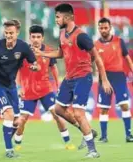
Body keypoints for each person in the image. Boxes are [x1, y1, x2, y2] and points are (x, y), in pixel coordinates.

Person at [39, 3, 113, 158]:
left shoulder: (81, 36)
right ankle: (87, 131)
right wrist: (42, 53)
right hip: (69, 78)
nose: (56, 20)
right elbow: (61, 53)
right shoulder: (62, 34)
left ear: (67, 17)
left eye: (58, 17)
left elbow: (97, 57)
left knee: (79, 113)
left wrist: (104, 80)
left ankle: (92, 150)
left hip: (82, 78)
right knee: (59, 109)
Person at [0, 19, 39, 158]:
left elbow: (34, 63)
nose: (8, 36)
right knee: (9, 113)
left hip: (11, 86)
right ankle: (9, 151)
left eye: (11, 33)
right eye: (6, 33)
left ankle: (7, 141)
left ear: (17, 33)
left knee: (17, 121)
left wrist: (34, 66)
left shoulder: (23, 47)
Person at [14, 24, 75, 151]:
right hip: (28, 91)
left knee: (57, 115)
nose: (36, 39)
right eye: (33, 37)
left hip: (45, 90)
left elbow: (54, 68)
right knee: (22, 120)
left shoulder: (48, 51)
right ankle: (18, 144)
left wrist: (59, 86)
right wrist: (19, 87)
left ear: (42, 38)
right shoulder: (23, 52)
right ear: (30, 38)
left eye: (38, 37)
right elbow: (18, 70)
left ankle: (68, 143)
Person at [95, 17, 133, 143]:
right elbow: (91, 62)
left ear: (110, 28)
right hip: (104, 78)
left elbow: (127, 58)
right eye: (101, 28)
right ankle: (104, 137)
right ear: (98, 29)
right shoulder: (95, 45)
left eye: (106, 27)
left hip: (119, 77)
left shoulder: (119, 41)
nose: (103, 30)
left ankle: (128, 135)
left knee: (124, 105)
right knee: (103, 108)